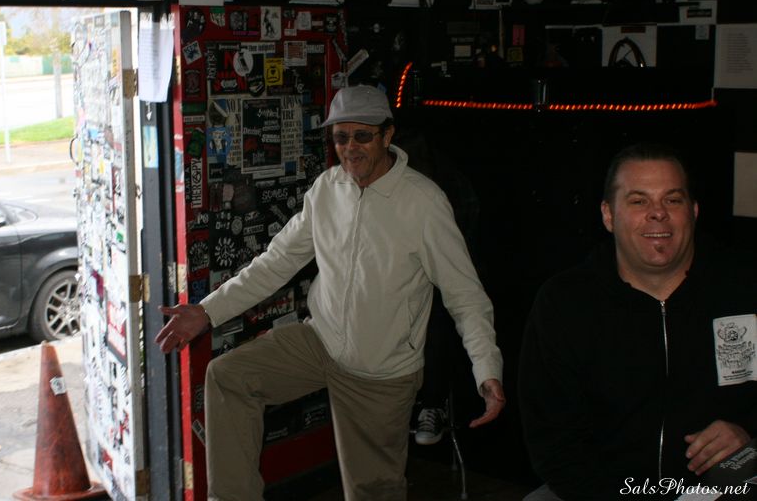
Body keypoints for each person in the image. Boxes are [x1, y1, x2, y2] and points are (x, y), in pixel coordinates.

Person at [156, 85, 506, 500]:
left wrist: (486, 368)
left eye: (363, 136)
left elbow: (465, 295)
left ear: (387, 135)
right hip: (320, 341)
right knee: (229, 377)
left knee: (373, 492)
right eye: (341, 137)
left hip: (380, 369)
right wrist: (206, 311)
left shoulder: (423, 203)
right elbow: (277, 262)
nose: (350, 148)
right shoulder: (327, 189)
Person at [519, 142, 757, 500]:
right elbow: (553, 439)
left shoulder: (744, 287)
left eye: (672, 200)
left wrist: (748, 433)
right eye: (638, 201)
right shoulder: (565, 303)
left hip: (723, 486)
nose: (657, 213)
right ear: (608, 215)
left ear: (693, 211)